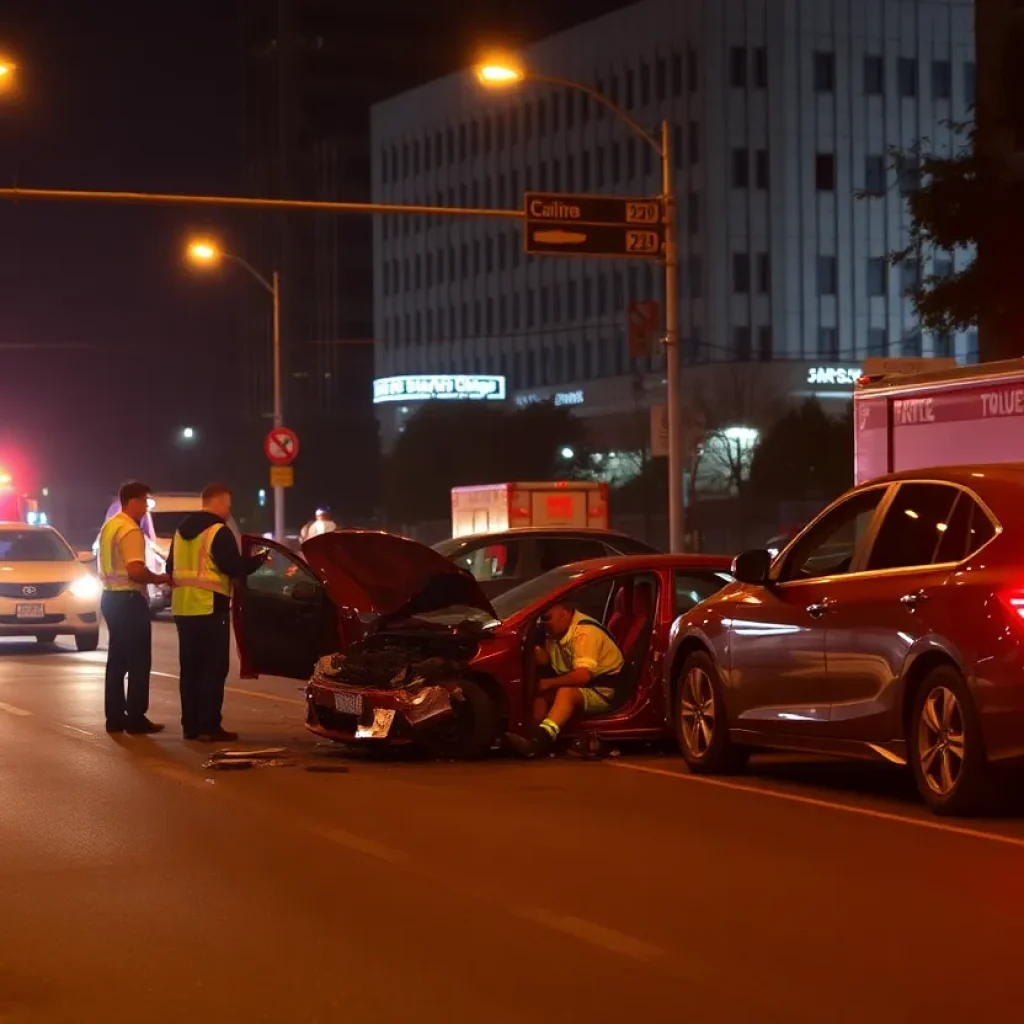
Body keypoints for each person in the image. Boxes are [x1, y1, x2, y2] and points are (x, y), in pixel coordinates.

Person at [165, 483, 265, 742]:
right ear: (218, 502)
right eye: (228, 505)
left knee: (190, 669)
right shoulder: (218, 532)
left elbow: (170, 567)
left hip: (183, 609)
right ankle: (210, 725)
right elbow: (234, 567)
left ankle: (191, 726)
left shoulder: (180, 530)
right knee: (213, 668)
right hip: (210, 608)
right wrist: (261, 559)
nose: (229, 510)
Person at [506, 599, 625, 758]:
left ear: (565, 612)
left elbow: (582, 676)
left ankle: (542, 741)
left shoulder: (584, 632)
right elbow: (553, 660)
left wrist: (550, 683)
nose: (544, 622)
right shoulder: (555, 633)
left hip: (603, 691)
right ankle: (532, 738)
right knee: (542, 693)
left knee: (565, 692)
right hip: (585, 687)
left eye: (548, 617)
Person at [97, 481, 169, 734]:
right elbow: (135, 571)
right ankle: (136, 717)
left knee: (117, 661)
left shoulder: (110, 526)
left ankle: (115, 717)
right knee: (138, 661)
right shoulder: (129, 530)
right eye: (145, 501)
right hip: (128, 600)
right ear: (133, 501)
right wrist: (161, 578)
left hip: (110, 598)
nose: (146, 507)